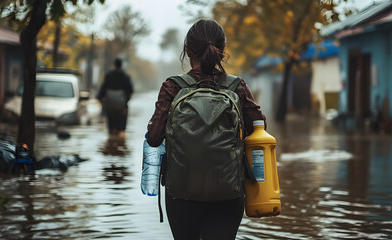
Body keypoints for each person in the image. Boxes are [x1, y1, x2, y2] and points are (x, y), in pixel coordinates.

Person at [146, 19, 266, 239]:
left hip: (181, 195)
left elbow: (154, 138)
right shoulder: (236, 86)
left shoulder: (172, 87)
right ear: (222, 51)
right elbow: (260, 127)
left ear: (187, 51)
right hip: (228, 194)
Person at [98, 58, 133, 138]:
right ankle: (120, 144)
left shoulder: (108, 76)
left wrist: (102, 100)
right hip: (122, 106)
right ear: (121, 65)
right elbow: (130, 90)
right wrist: (125, 102)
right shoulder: (125, 76)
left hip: (110, 106)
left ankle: (112, 146)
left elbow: (102, 90)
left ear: (114, 65)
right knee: (122, 130)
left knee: (112, 130)